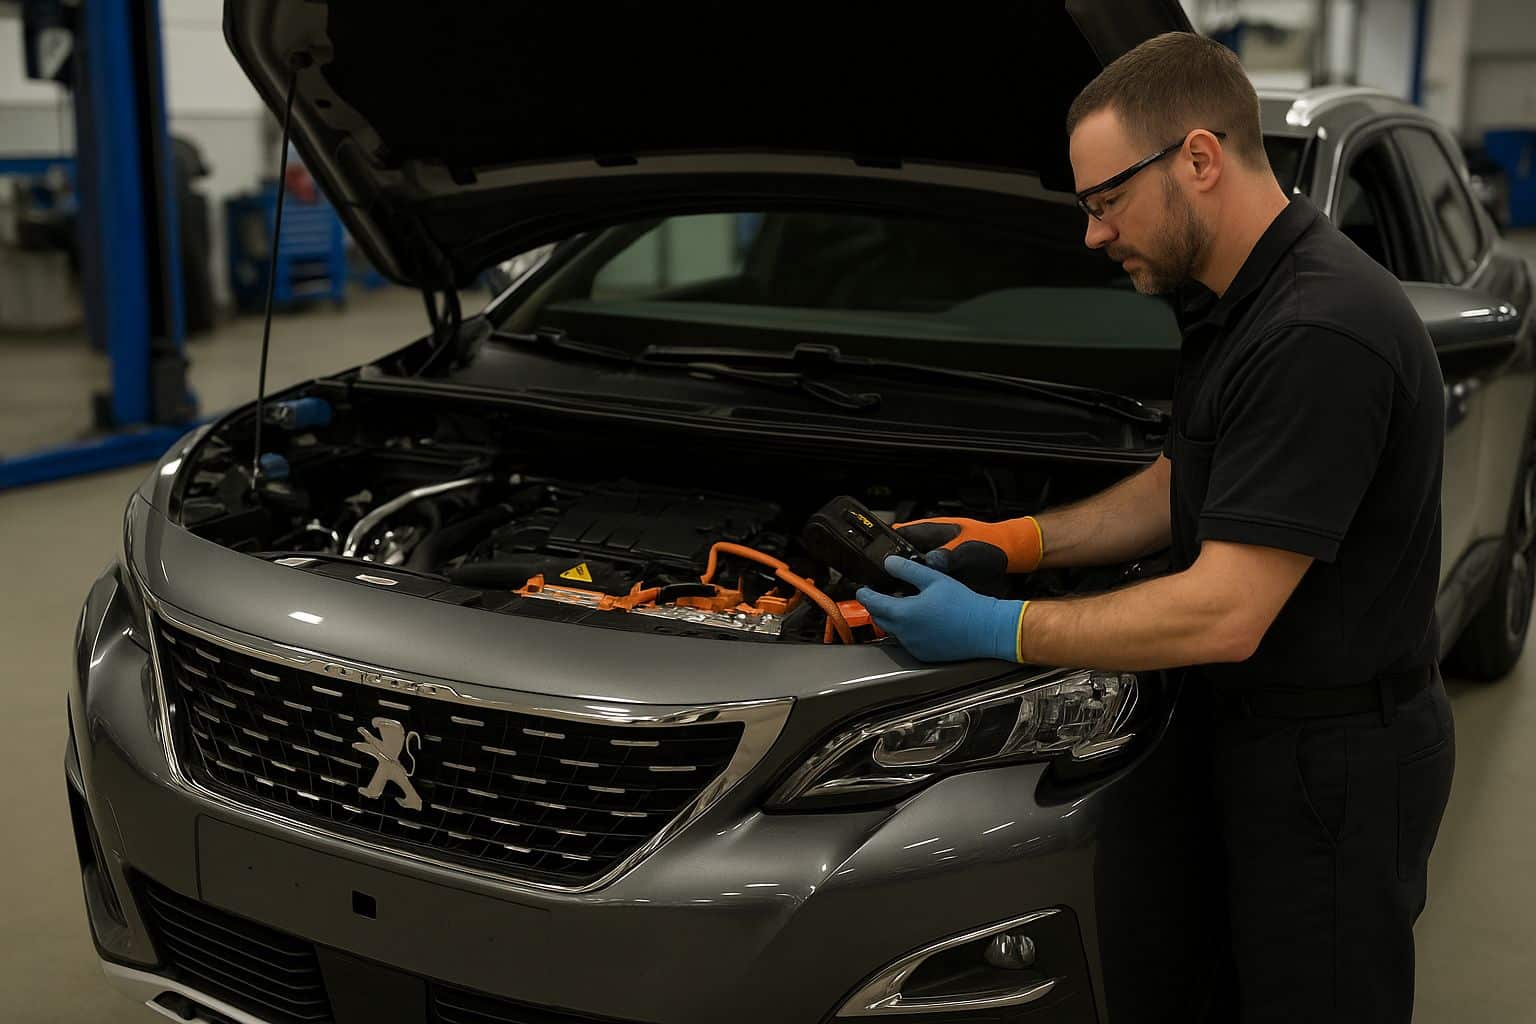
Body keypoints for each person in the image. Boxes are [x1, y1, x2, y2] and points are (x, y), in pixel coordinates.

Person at [856, 32, 1455, 1024]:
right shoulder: (1244, 302)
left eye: (1105, 202)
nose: (1094, 236)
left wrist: (1001, 630)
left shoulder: (1318, 328)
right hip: (1262, 737)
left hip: (1335, 767)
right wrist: (1020, 540)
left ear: (1200, 160)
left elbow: (1227, 612)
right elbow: (1186, 482)